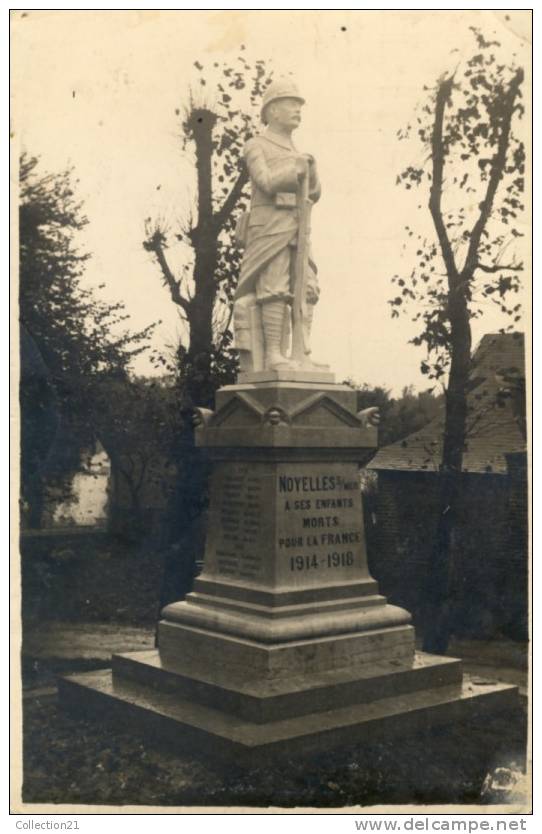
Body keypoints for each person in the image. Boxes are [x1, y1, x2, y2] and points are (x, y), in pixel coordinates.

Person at [233, 78, 324, 372]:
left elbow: (314, 193)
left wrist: (312, 170)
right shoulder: (255, 145)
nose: (298, 109)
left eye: (299, 105)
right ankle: (273, 354)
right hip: (269, 227)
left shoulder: (297, 149)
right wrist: (295, 168)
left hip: (298, 226)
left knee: (307, 289)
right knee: (273, 288)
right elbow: (266, 181)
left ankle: (300, 353)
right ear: (272, 111)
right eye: (291, 103)